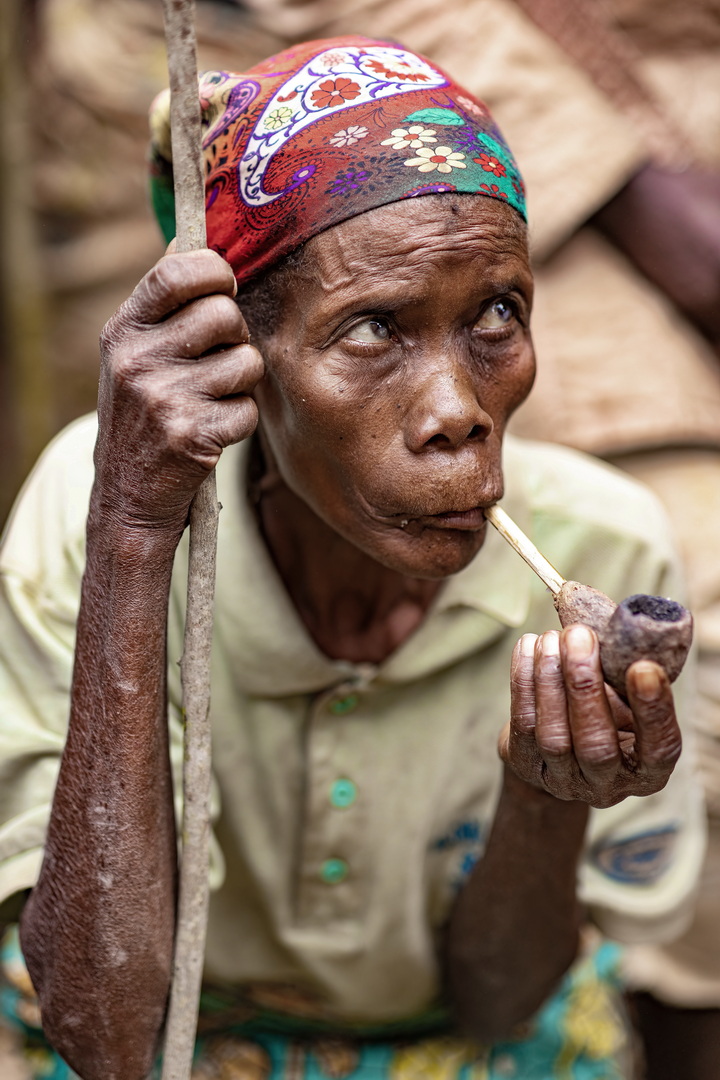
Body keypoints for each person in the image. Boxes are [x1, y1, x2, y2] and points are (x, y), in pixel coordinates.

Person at [0, 36, 706, 1080]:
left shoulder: (604, 542)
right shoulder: (100, 506)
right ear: (237, 358)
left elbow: (503, 1005)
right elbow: (102, 1032)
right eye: (374, 330)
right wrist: (138, 538)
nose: (459, 412)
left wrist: (548, 797)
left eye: (497, 315)